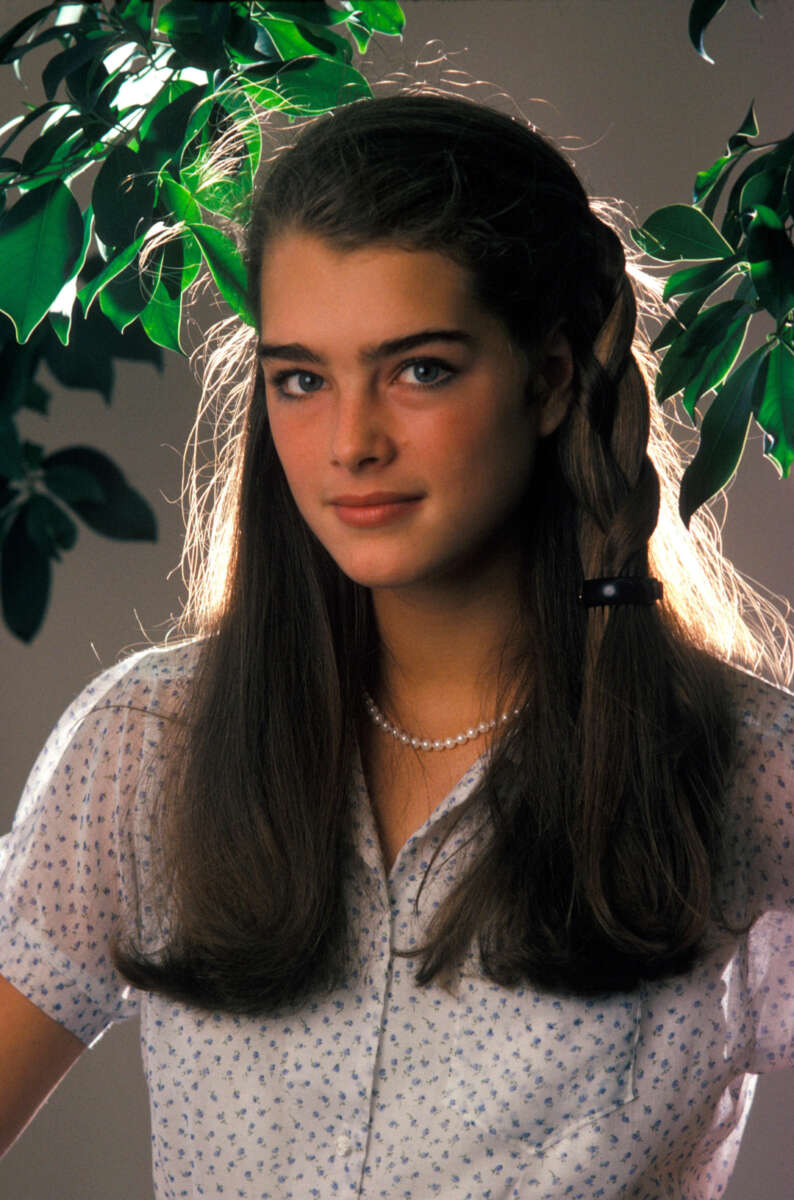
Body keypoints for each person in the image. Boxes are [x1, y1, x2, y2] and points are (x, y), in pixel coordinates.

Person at [1, 92, 792, 1199]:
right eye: (301, 380)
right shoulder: (149, 747)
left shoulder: (746, 768)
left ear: (551, 378)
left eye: (419, 369)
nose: (351, 442)